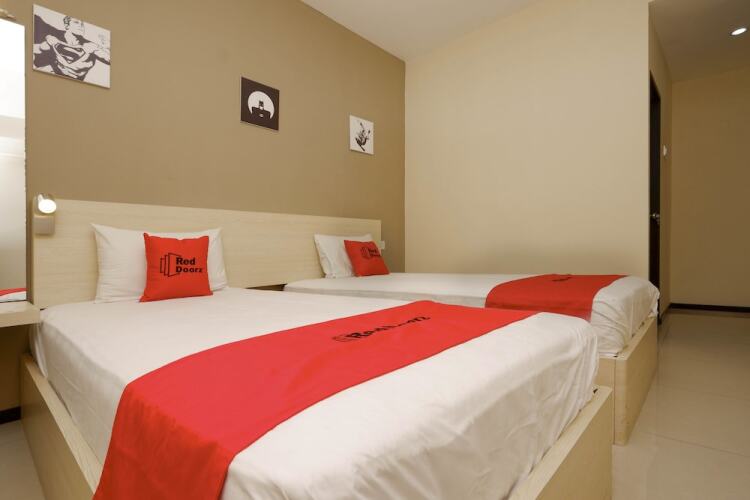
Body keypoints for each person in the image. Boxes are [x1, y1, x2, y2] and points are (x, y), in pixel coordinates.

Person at [33, 14, 110, 81]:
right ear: (67, 26)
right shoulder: (54, 35)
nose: (80, 26)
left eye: (82, 24)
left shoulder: (90, 46)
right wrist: (43, 46)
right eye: (76, 22)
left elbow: (108, 58)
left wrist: (107, 46)